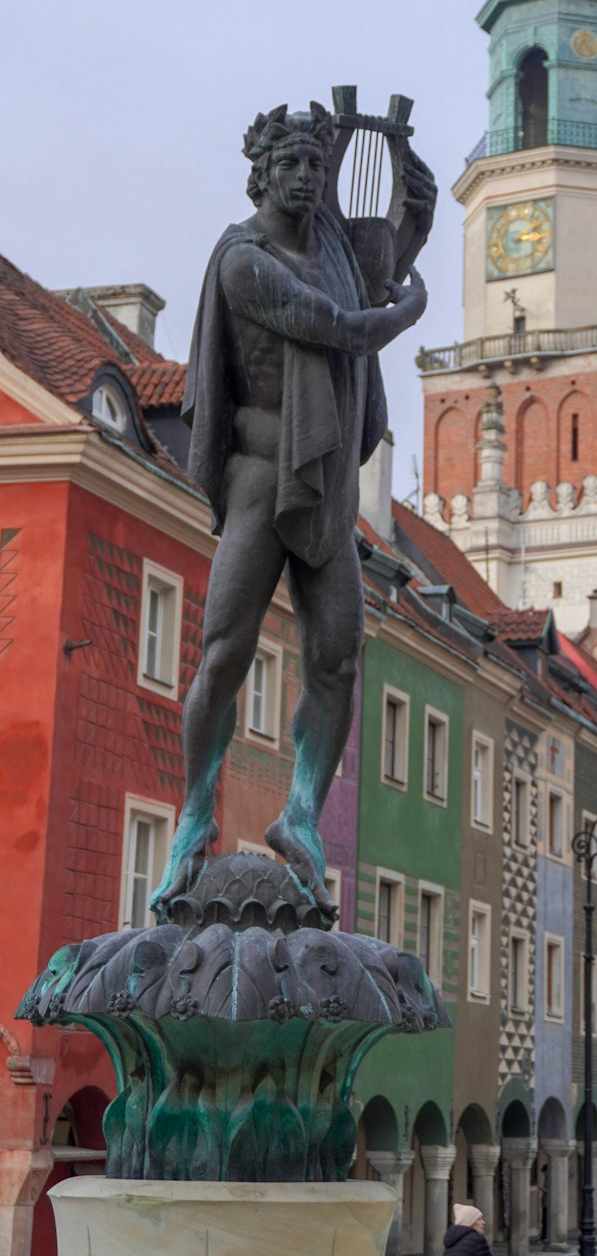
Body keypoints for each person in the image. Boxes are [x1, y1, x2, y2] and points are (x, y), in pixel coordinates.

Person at [151, 102, 431, 912]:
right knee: (225, 647)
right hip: (257, 474)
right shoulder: (244, 260)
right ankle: (195, 811)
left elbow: (379, 257)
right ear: (264, 173)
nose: (308, 177)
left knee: (339, 653)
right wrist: (408, 309)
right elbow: (338, 326)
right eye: (293, 167)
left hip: (328, 481)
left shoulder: (336, 249)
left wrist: (414, 213)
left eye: (317, 164)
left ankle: (301, 813)